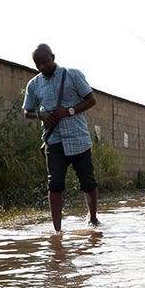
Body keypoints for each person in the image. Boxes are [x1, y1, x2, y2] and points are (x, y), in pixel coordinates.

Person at [23, 43, 101, 233]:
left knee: (88, 182)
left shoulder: (73, 75)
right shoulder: (34, 84)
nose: (42, 66)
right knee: (55, 184)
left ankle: (93, 219)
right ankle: (57, 231)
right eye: (38, 64)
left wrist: (69, 111)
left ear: (53, 57)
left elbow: (91, 100)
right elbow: (27, 111)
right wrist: (41, 116)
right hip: (54, 141)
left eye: (45, 62)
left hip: (78, 139)